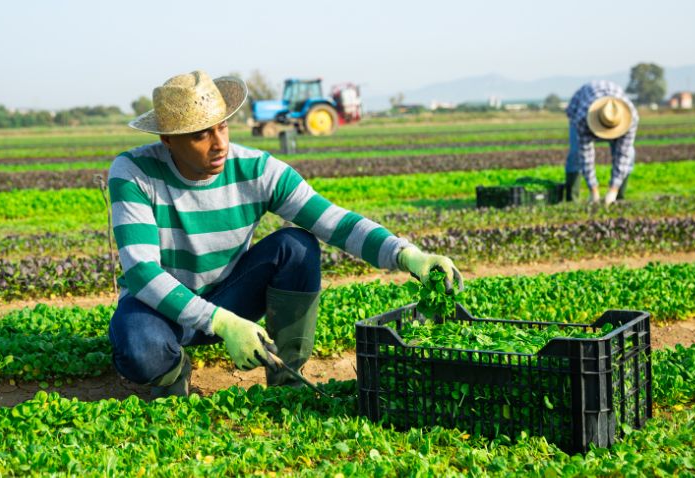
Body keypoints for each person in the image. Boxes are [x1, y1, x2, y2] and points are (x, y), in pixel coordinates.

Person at [106, 70, 462, 398]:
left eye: (223, 127)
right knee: (141, 350)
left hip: (228, 295)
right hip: (160, 308)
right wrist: (223, 323)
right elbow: (142, 271)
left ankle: (286, 374)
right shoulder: (135, 172)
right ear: (168, 139)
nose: (219, 144)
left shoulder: (258, 170)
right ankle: (172, 372)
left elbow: (334, 222)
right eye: (201, 135)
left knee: (297, 246)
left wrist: (408, 254)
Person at [564, 80, 639, 205]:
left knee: (629, 156)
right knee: (576, 154)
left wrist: (613, 190)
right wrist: (594, 191)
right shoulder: (582, 118)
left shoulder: (631, 119)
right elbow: (586, 156)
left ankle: (618, 197)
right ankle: (572, 199)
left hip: (614, 111)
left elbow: (623, 155)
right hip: (579, 107)